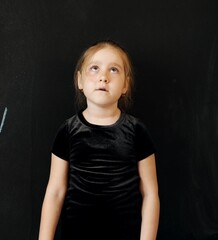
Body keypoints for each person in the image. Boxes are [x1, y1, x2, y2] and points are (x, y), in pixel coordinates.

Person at [39, 40, 160, 240]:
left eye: (113, 70)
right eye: (94, 68)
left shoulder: (137, 130)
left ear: (125, 85)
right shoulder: (68, 130)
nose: (103, 77)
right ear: (79, 81)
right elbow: (55, 191)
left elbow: (150, 192)